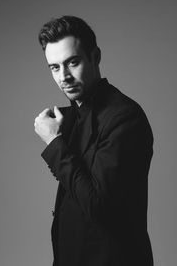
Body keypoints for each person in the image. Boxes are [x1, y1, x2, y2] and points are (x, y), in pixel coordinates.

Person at [34, 15, 154, 266]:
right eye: (54, 67)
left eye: (72, 62)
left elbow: (98, 204)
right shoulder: (72, 117)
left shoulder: (125, 118)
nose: (63, 76)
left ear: (95, 56)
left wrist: (55, 143)